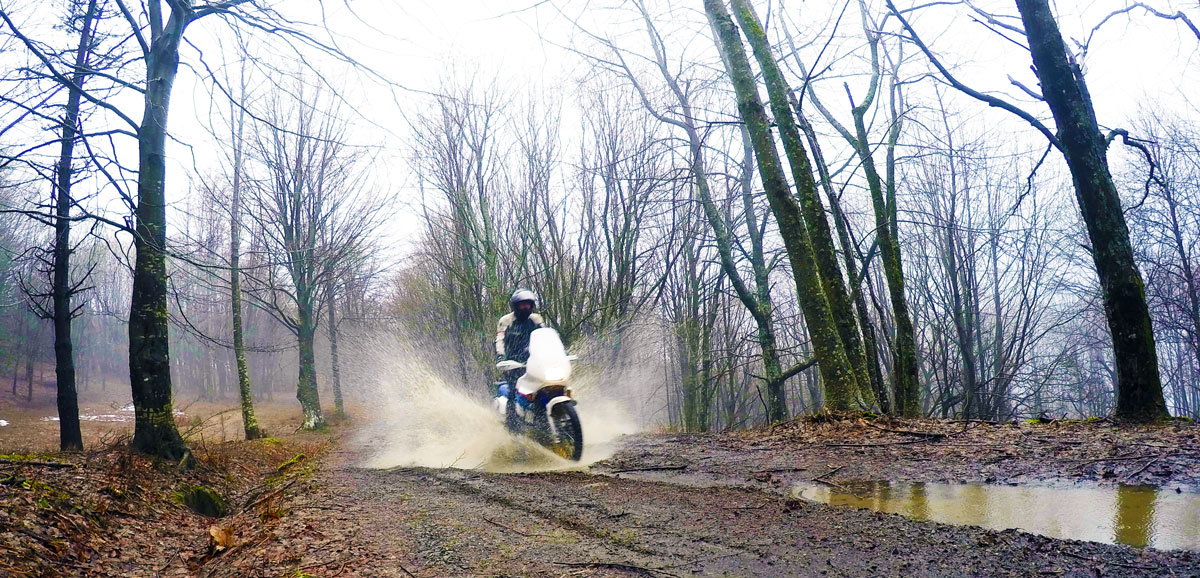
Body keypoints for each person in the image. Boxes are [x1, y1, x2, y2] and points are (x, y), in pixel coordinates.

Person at [496, 289, 545, 431]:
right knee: (513, 391)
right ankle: (512, 426)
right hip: (513, 363)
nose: (525, 308)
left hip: (535, 361)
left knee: (544, 386)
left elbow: (546, 334)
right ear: (515, 306)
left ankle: (545, 418)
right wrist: (501, 355)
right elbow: (500, 339)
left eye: (528, 305)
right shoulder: (506, 320)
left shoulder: (536, 319)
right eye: (522, 305)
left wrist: (560, 349)